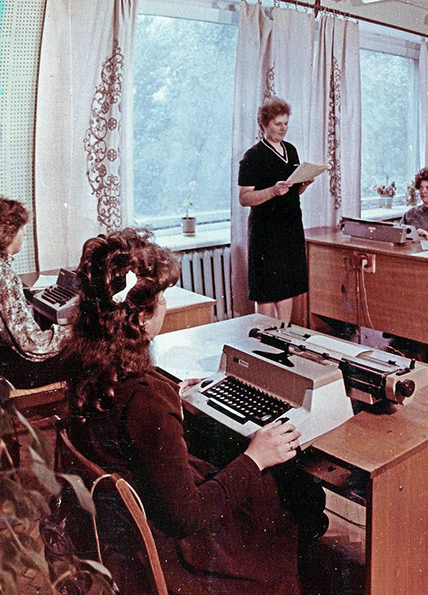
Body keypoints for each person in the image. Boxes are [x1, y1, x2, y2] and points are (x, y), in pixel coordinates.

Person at [63, 229, 305, 595]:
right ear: (140, 319)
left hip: (120, 527)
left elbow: (123, 421)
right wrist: (256, 457)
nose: (164, 306)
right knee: (279, 492)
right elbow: (186, 518)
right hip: (171, 551)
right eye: (161, 298)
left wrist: (169, 401)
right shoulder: (147, 398)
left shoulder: (85, 361)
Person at [239, 98, 312, 323]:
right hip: (266, 231)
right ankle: (266, 336)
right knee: (267, 290)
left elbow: (293, 193)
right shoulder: (253, 156)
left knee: (287, 286)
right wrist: (272, 191)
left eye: (286, 123)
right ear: (265, 124)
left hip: (290, 226)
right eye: (278, 124)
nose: (283, 128)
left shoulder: (291, 150)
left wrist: (304, 183)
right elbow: (244, 198)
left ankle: (285, 332)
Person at [0, 197, 70, 389]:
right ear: (7, 234)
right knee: (89, 356)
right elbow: (31, 345)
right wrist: (74, 330)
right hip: (16, 369)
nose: (24, 233)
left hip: (5, 358)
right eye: (21, 228)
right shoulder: (5, 277)